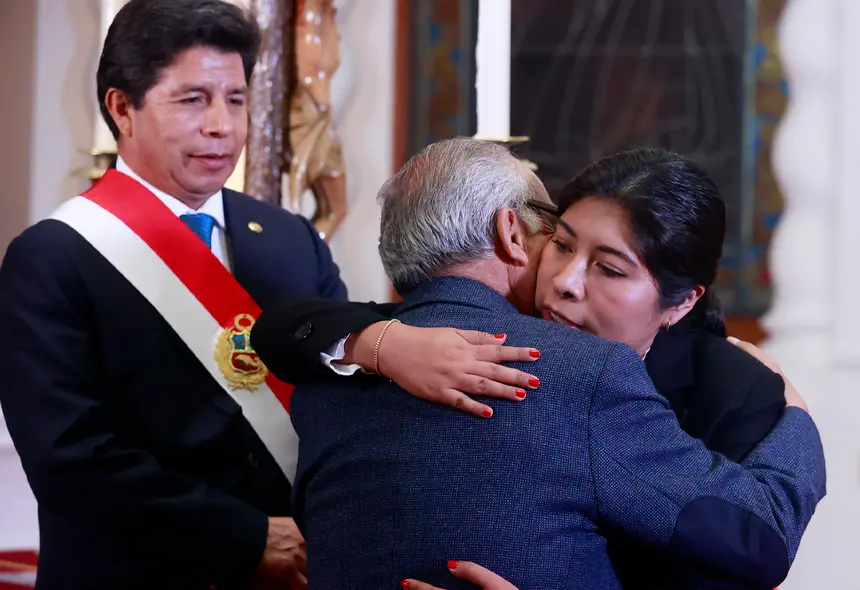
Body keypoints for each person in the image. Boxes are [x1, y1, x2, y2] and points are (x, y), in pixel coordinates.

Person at [0, 3, 533, 589]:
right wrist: (249, 538)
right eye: (192, 99)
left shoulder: (287, 237)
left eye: (236, 98)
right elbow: (71, 461)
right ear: (122, 108)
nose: (222, 125)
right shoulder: (53, 256)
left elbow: (339, 394)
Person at [275, 139, 825, 589]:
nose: (564, 281)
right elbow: (765, 535)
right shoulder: (576, 374)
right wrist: (801, 424)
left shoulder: (327, 380)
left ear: (682, 300)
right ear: (513, 234)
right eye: (560, 243)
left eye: (610, 268)